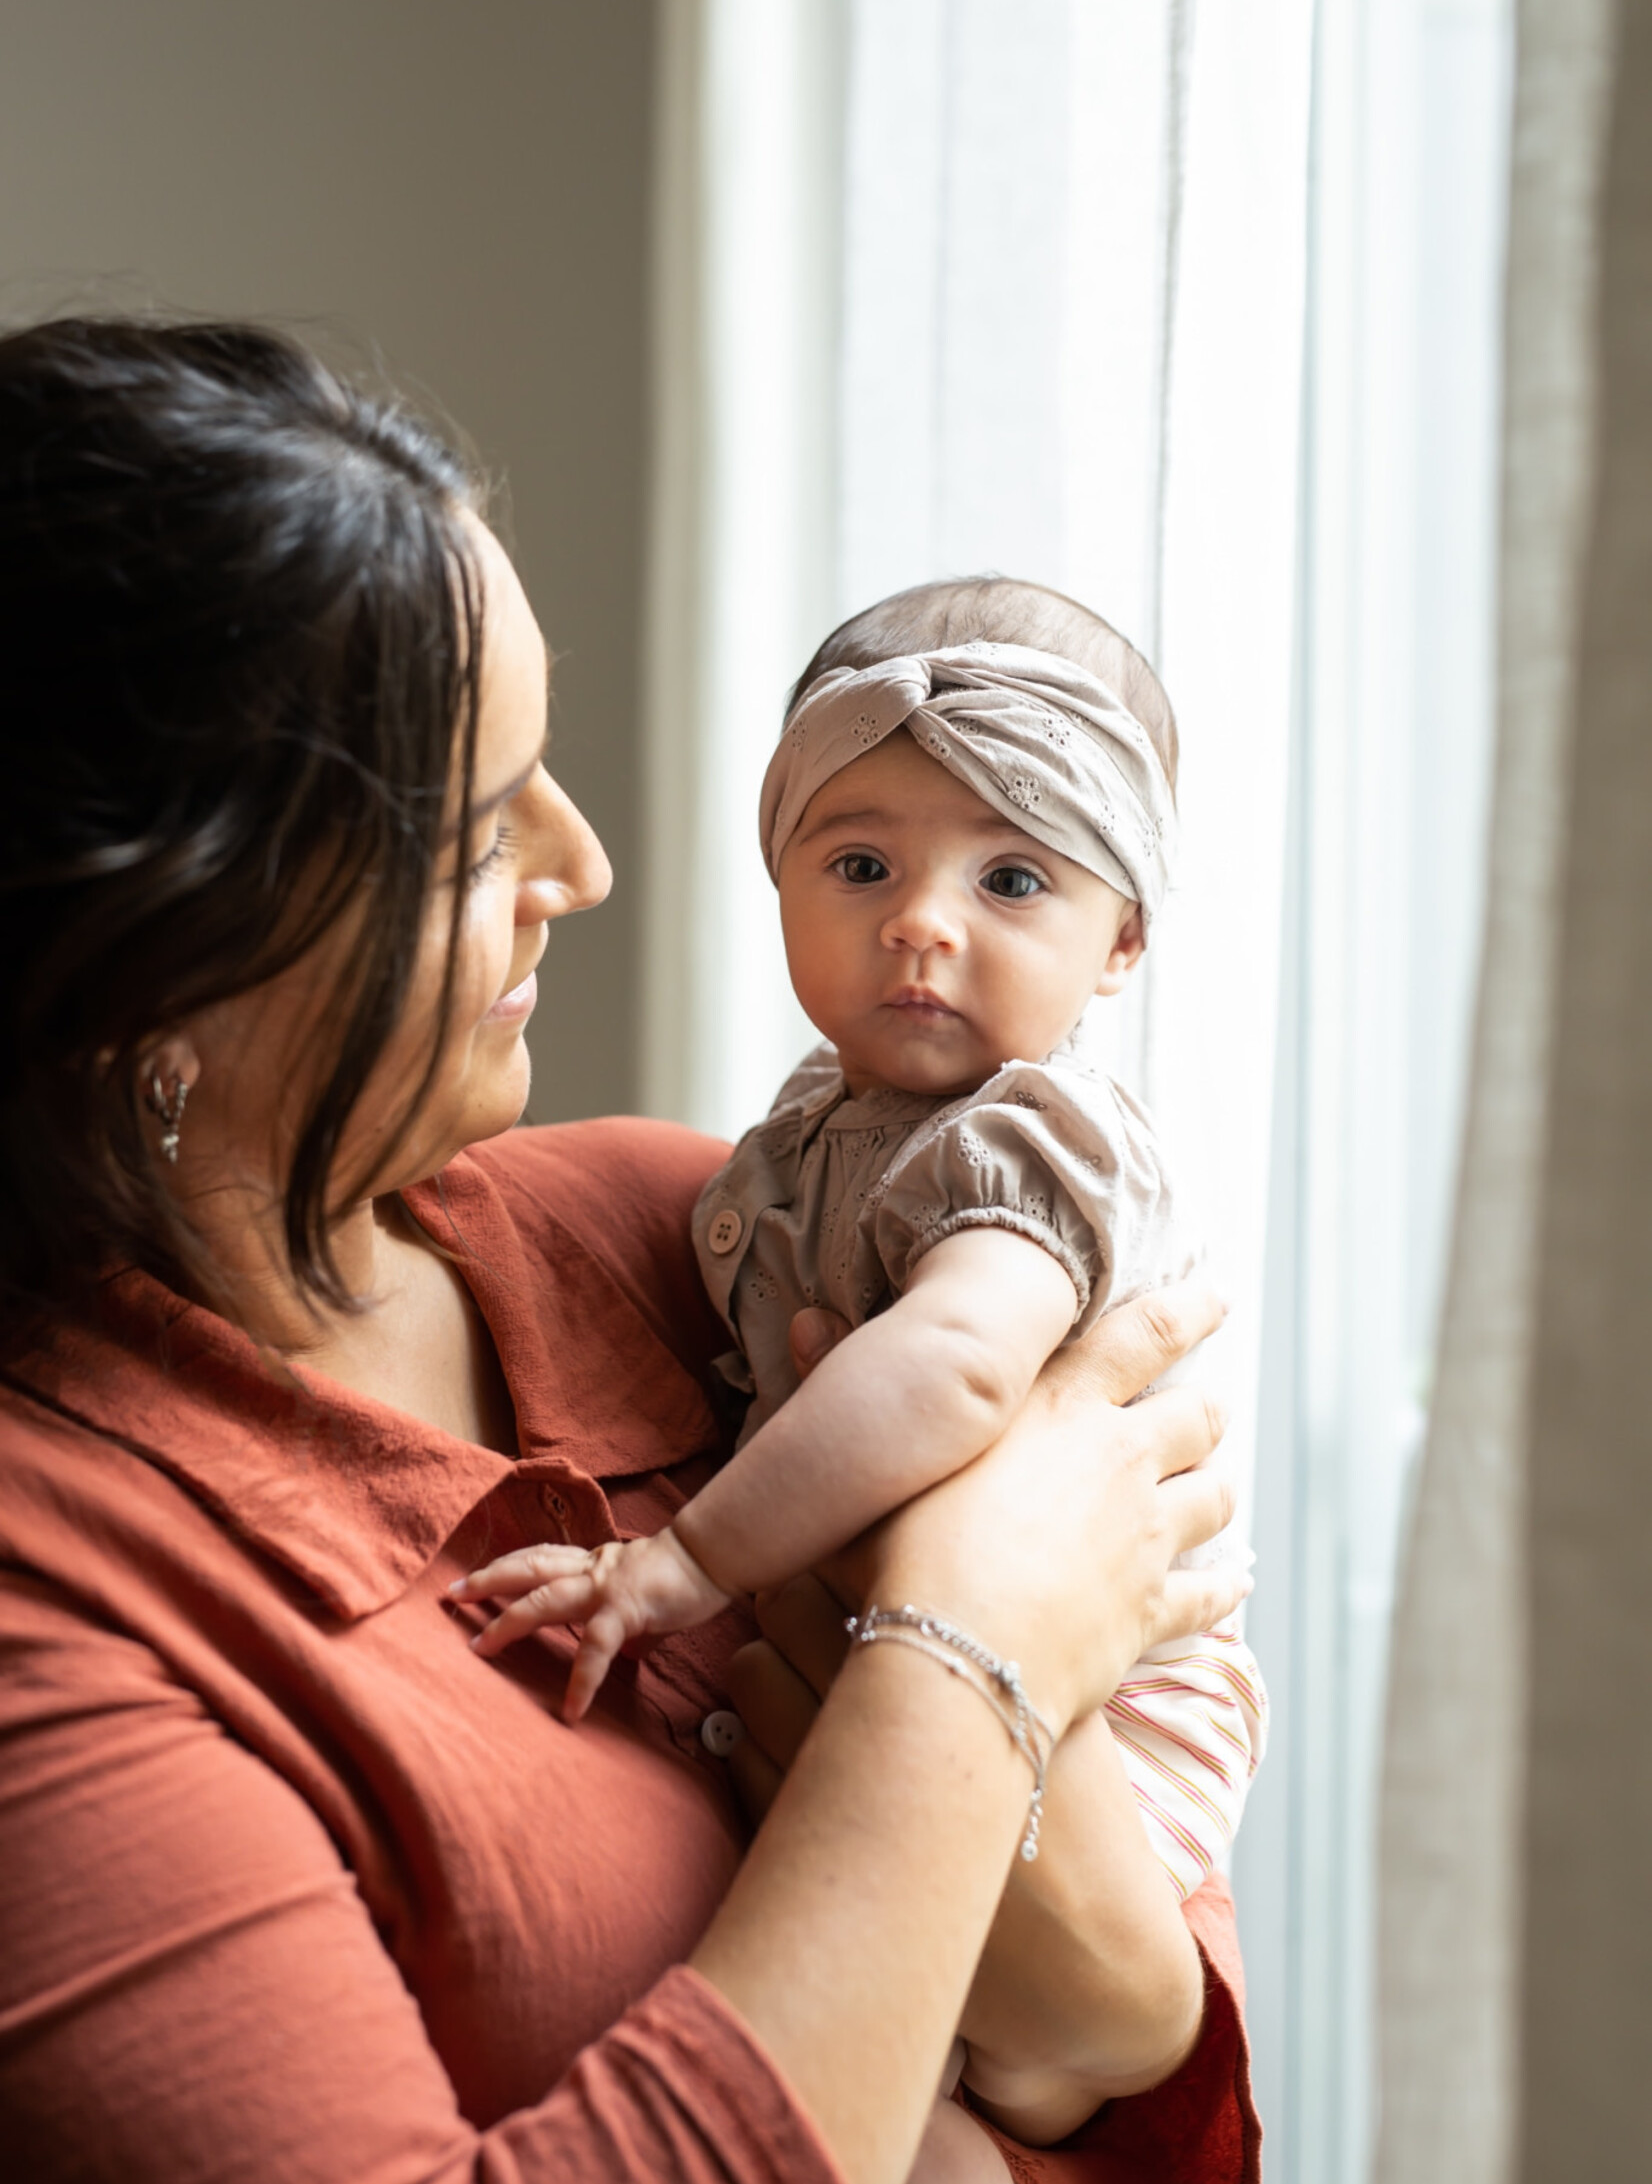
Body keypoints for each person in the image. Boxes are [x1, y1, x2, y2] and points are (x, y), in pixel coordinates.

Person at [0, 316, 1259, 2183]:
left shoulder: (694, 1235)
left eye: (549, 762)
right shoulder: (57, 1613)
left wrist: (1122, 2012)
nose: (582, 863)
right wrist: (968, 1658)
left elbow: (1171, 2023)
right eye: (465, 819)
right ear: (145, 983)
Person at [453, 588, 1265, 2157]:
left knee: (1008, 2056)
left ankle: (1041, 2079)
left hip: (1123, 1693)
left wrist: (684, 1557)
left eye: (1012, 874)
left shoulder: (1040, 1141)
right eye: (861, 863)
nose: (921, 920)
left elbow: (960, 1369)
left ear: (1127, 937)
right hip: (892, 1646)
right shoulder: (808, 1130)